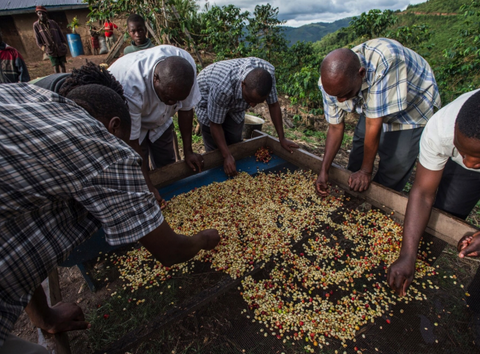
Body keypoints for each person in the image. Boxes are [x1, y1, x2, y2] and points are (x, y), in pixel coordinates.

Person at [0, 83, 220, 354]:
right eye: (127, 142)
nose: (128, 151)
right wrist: (203, 239)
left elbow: (19, 228)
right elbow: (170, 251)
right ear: (114, 127)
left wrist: (43, 316)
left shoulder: (28, 94)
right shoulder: (98, 145)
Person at [386, 89, 480, 345]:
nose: (470, 162)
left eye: (478, 158)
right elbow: (424, 193)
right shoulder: (441, 129)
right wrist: (407, 254)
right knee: (449, 208)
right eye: (462, 151)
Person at [315, 38, 441, 196]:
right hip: (371, 107)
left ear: (361, 74)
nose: (340, 100)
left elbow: (374, 123)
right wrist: (324, 170)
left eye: (344, 94)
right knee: (359, 149)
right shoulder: (329, 84)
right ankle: (352, 194)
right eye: (336, 96)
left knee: (396, 163)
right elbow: (335, 127)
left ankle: (380, 203)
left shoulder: (386, 61)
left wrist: (366, 172)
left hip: (411, 109)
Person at [108, 45, 204, 206]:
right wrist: (148, 185)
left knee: (166, 159)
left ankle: (167, 193)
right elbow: (133, 142)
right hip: (129, 119)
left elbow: (186, 110)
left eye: (177, 100)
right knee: (140, 161)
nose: (174, 103)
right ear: (156, 79)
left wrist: (188, 151)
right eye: (169, 97)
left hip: (161, 119)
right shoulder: (131, 85)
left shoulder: (186, 68)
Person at [195, 57, 299, 176]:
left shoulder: (267, 75)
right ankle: (215, 174)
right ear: (243, 84)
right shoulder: (222, 88)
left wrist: (282, 138)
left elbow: (274, 105)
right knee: (215, 150)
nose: (252, 105)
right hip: (206, 95)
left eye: (258, 102)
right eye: (250, 100)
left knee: (235, 140)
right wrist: (226, 155)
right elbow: (215, 124)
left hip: (234, 100)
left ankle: (232, 164)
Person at [33, 6, 68, 74]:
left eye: (43, 13)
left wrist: (64, 44)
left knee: (63, 65)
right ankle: (57, 80)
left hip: (59, 48)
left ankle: (64, 80)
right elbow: (38, 40)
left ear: (46, 14)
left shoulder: (53, 23)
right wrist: (45, 49)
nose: (42, 15)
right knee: (55, 66)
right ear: (37, 14)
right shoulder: (36, 25)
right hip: (50, 50)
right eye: (39, 13)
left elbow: (60, 34)